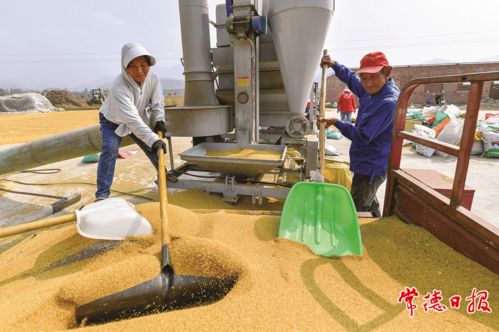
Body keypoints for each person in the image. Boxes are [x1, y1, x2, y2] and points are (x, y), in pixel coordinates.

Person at [318, 51, 400, 217]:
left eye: (373, 77)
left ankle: (358, 236)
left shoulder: (388, 103)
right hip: (363, 160)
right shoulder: (369, 92)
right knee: (368, 199)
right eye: (364, 77)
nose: (368, 83)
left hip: (371, 165)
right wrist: (334, 64)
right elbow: (350, 78)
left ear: (387, 73)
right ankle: (376, 221)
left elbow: (363, 136)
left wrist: (337, 122)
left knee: (357, 208)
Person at [95, 42, 176, 201]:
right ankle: (102, 195)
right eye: (133, 66)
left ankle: (163, 175)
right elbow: (132, 121)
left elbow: (157, 102)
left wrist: (159, 120)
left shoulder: (153, 78)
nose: (139, 71)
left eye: (143, 65)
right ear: (125, 68)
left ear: (149, 64)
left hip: (136, 118)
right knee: (110, 148)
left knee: (153, 147)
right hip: (113, 120)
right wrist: (153, 139)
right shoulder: (119, 87)